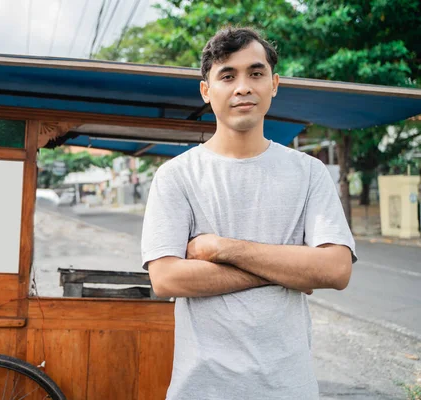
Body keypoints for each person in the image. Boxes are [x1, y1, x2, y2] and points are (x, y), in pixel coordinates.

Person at [141, 27, 356, 400]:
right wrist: (286, 273)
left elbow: (336, 270)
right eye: (227, 75)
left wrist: (220, 248)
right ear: (207, 91)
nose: (243, 87)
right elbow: (166, 278)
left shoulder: (308, 172)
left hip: (289, 386)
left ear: (274, 84)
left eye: (255, 74)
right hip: (202, 388)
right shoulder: (177, 175)